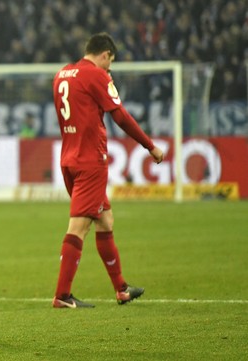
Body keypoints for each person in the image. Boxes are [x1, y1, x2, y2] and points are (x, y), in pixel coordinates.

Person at [51, 33, 164, 308]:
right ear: (105, 54)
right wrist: (149, 146)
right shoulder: (97, 75)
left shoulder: (62, 75)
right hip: (91, 161)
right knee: (79, 226)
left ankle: (121, 289)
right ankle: (62, 296)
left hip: (68, 158)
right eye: (110, 62)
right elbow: (121, 116)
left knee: (105, 220)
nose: (109, 68)